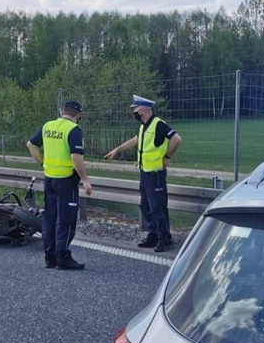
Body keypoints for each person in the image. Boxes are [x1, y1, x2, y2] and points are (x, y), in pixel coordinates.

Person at [103, 95, 182, 253]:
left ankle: (165, 238)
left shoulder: (158, 124)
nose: (134, 112)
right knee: (146, 206)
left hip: (156, 174)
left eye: (136, 109)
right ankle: (154, 234)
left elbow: (177, 139)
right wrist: (117, 150)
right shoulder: (145, 125)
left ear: (143, 110)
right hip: (145, 173)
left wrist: (166, 157)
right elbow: (136, 140)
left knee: (157, 207)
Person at [26, 100, 93, 270]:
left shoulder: (48, 126)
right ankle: (63, 257)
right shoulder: (73, 129)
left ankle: (50, 257)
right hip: (66, 180)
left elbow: (31, 144)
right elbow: (76, 157)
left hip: (49, 178)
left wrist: (42, 163)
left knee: (50, 218)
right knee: (66, 220)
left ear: (62, 111)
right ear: (78, 115)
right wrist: (85, 179)